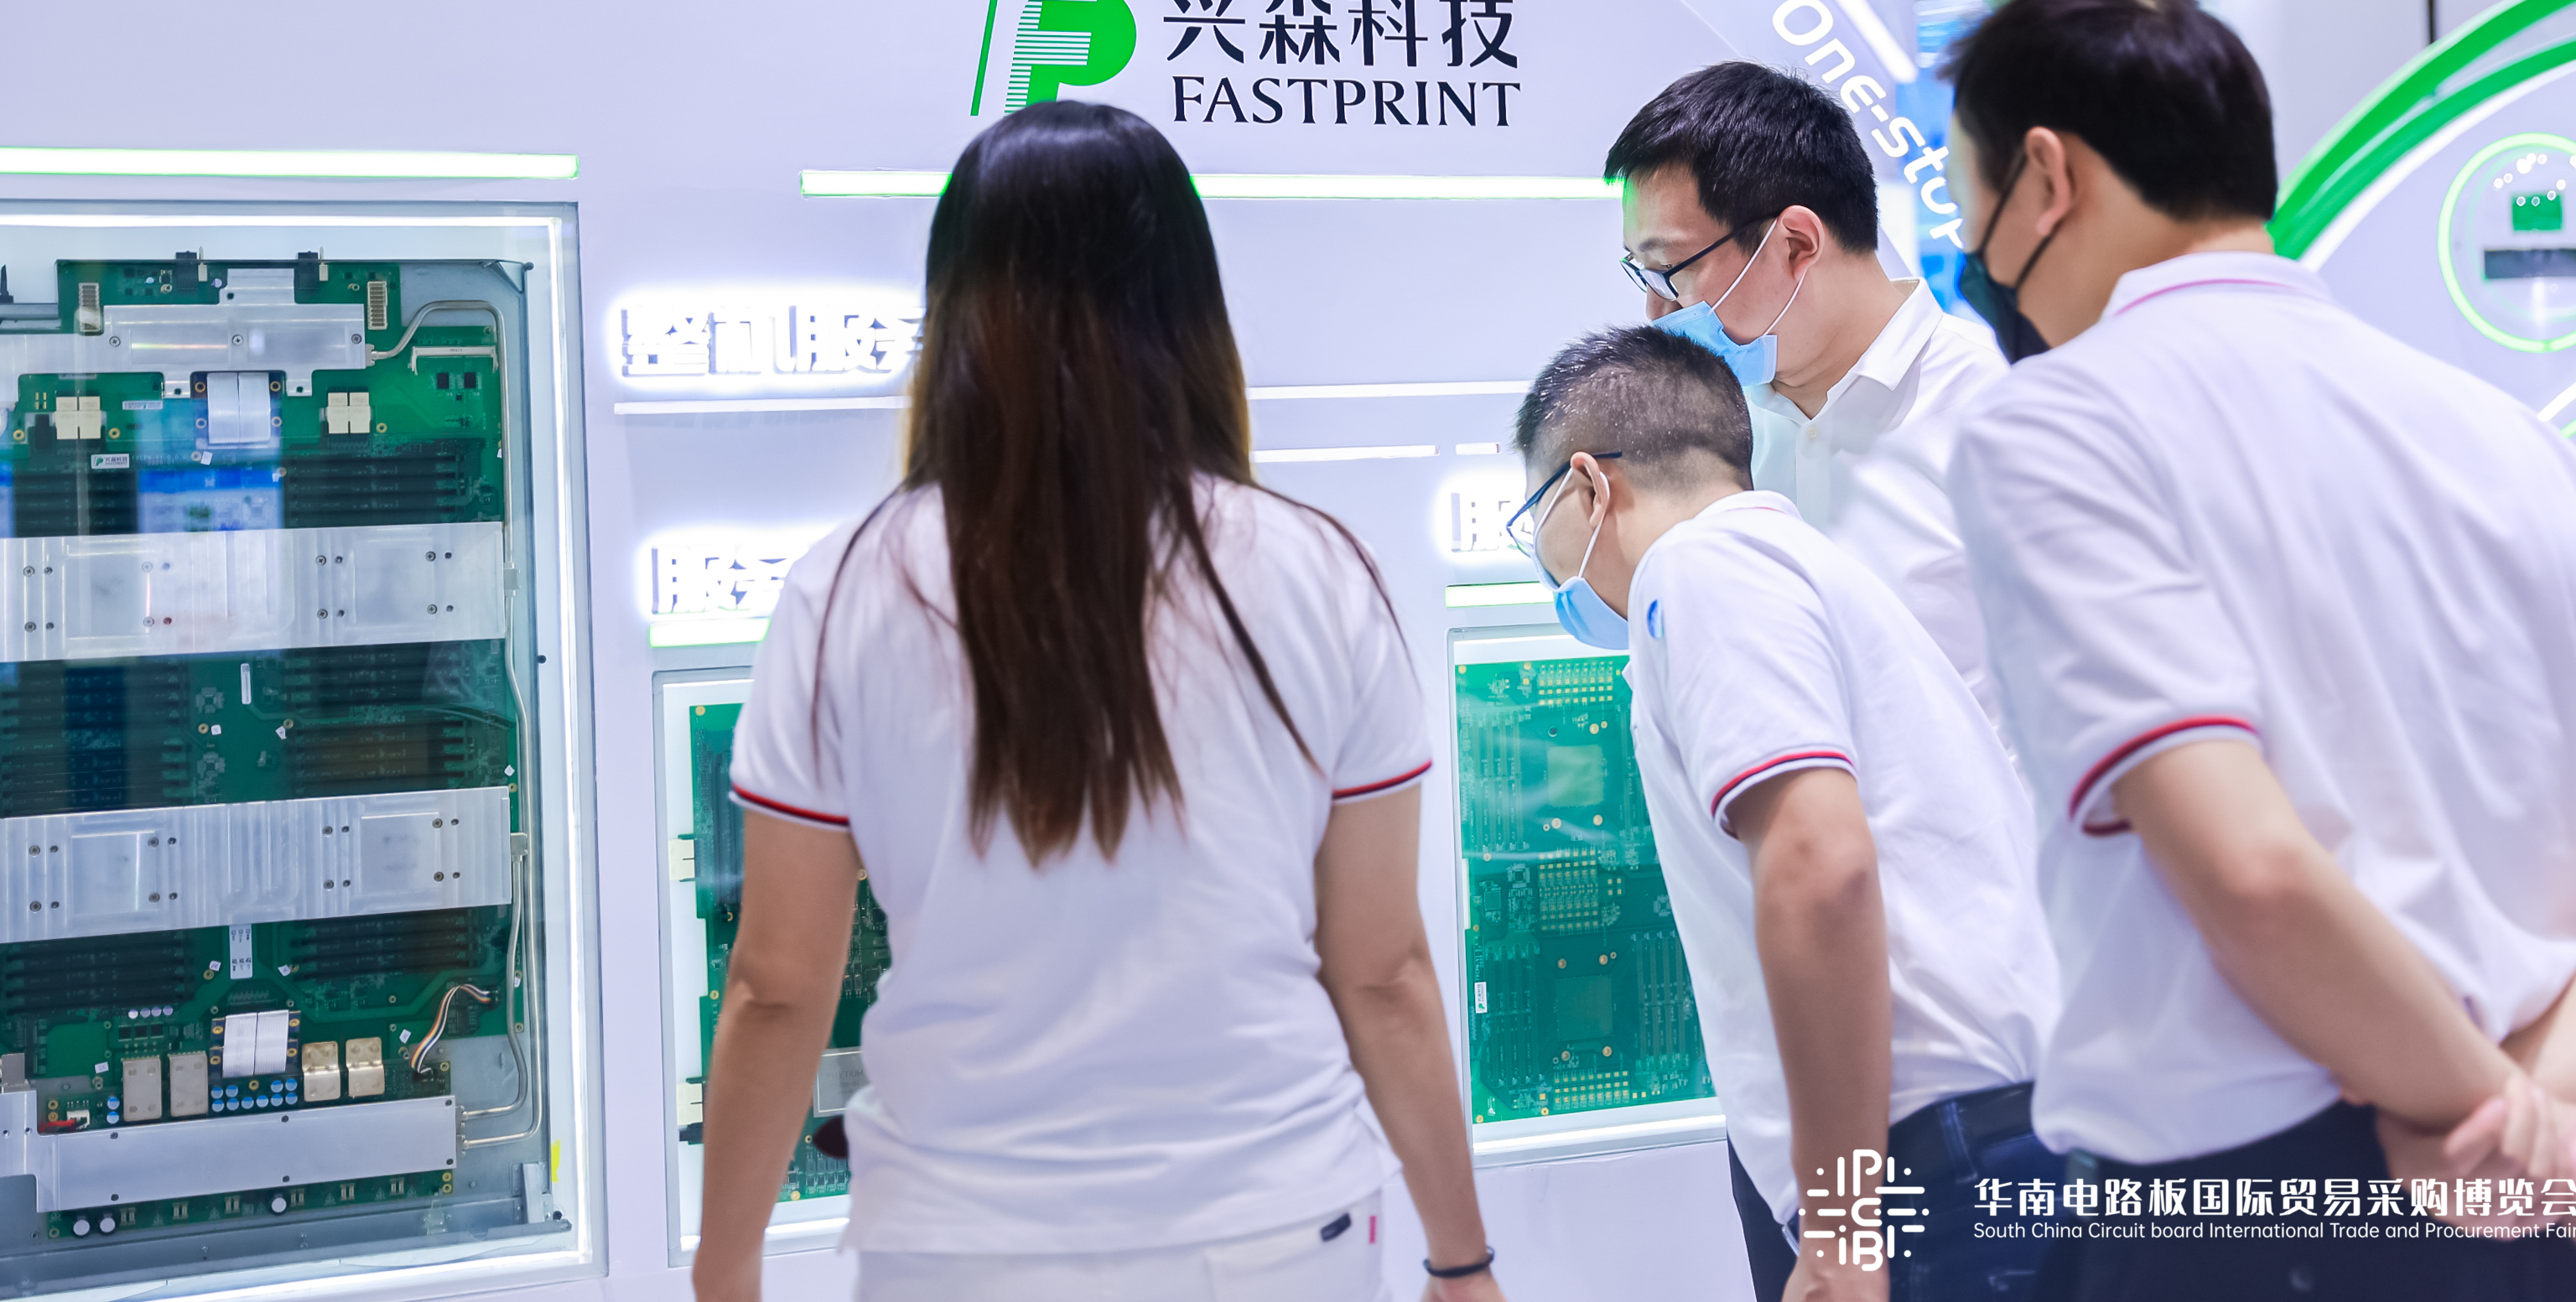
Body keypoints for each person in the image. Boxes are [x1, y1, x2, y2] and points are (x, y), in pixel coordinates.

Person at [690, 101, 1507, 1302]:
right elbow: (1381, 968)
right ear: (1189, 308)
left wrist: (725, 1266)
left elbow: (777, 985)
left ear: (954, 310)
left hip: (958, 1240)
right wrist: (1463, 1258)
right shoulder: (1319, 572)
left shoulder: (845, 588)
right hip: (1278, 1225)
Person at [1942, 0, 2576, 1299]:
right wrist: (2526, 1117)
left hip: (2254, 1218)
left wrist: (2488, 1120)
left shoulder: (2059, 423)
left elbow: (2251, 871)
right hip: (2541, 1184)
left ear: (2046, 176)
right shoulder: (2531, 452)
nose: (1973, 256)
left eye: (1969, 205)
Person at [1512, 324, 2057, 1302]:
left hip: (1931, 1162)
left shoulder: (1699, 570)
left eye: (1533, 515)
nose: (1543, 562)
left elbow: (1820, 867)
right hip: (1982, 1143)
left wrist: (1843, 1225)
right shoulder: (1797, 564)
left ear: (1587, 484)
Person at [1606, 63, 2006, 724]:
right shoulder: (1706, 437)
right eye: (1641, 273)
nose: (1656, 310)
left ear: (1795, 243)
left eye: (1671, 269)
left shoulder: (2001, 413)